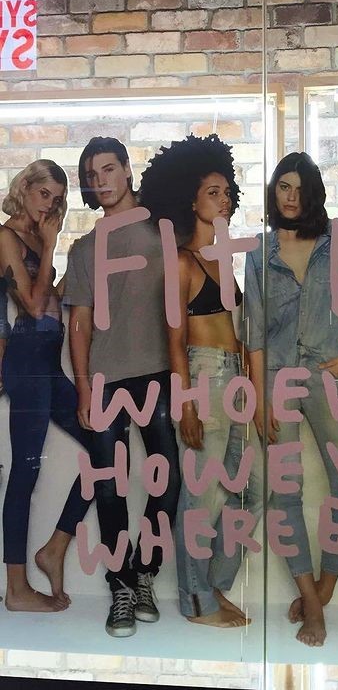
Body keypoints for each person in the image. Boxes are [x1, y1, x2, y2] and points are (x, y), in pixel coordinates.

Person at [139, 133, 263, 629]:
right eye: (213, 192)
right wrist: (186, 404)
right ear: (190, 201)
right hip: (204, 378)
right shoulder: (181, 261)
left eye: (227, 191)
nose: (224, 199)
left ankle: (213, 584)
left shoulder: (223, 259)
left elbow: (239, 329)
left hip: (234, 379)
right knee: (201, 496)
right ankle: (195, 600)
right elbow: (175, 342)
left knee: (249, 490)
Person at [244, 152, 338, 647]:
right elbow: (253, 332)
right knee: (283, 492)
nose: (290, 197)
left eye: (299, 188)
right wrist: (257, 399)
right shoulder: (259, 253)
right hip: (275, 377)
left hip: (327, 370)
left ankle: (326, 585)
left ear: (312, 193)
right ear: (273, 192)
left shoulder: (337, 242)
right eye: (283, 187)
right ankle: (310, 600)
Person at [65, 136, 180, 637]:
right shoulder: (85, 248)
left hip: (158, 372)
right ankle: (121, 588)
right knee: (110, 487)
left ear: (128, 170)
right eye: (92, 175)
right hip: (106, 380)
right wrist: (84, 391)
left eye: (108, 169)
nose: (101, 181)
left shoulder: (163, 229)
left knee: (168, 481)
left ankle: (144, 573)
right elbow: (79, 324)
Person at [0, 159, 92, 613]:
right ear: (25, 188)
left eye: (56, 200)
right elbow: (34, 308)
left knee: (106, 450)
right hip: (26, 363)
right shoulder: (6, 237)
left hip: (49, 366)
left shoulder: (38, 239)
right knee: (25, 472)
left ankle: (54, 548)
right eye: (43, 195)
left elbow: (51, 300)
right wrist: (53, 245)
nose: (49, 206)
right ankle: (17, 589)